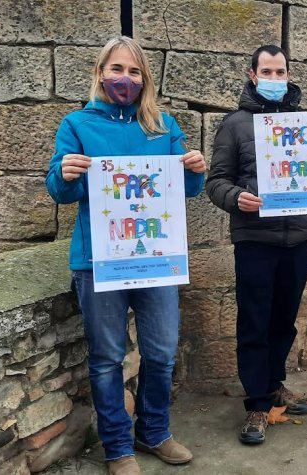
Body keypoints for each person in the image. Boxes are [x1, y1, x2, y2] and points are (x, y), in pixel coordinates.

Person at [45, 37, 206, 475]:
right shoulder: (76, 123)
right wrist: (65, 173)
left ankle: (154, 431)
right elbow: (60, 191)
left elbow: (187, 190)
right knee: (106, 357)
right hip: (98, 260)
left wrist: (195, 169)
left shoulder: (163, 125)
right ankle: (117, 447)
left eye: (134, 72)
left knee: (161, 352)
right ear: (100, 74)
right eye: (117, 69)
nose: (125, 79)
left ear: (145, 79)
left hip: (155, 258)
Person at [206, 44, 307, 445]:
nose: (273, 79)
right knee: (254, 321)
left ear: (288, 74)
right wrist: (236, 199)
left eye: (279, 72)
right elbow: (216, 182)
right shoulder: (235, 124)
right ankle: (256, 404)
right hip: (254, 239)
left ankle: (273, 385)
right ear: (253, 75)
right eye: (266, 72)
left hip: (298, 238)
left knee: (283, 319)